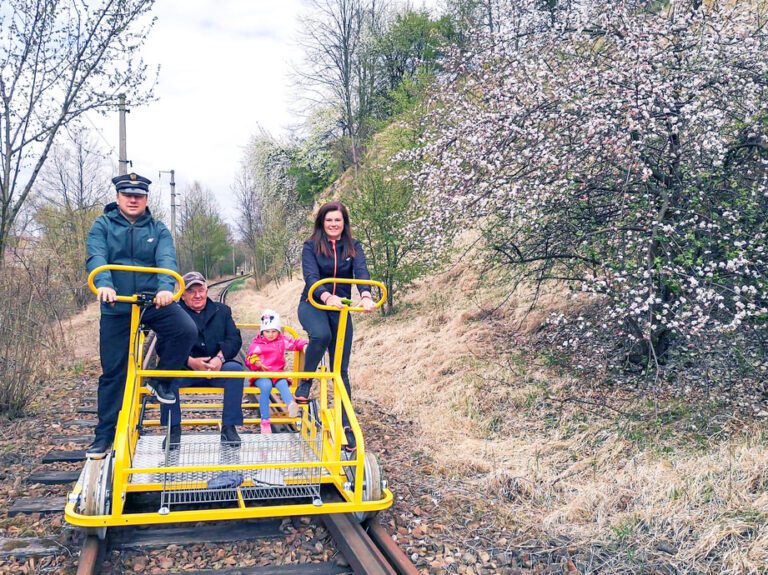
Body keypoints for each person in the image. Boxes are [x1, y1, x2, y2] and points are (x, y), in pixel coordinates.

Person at [86, 173, 197, 459]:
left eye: (138, 196)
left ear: (146, 199)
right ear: (118, 197)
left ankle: (161, 380)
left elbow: (166, 259)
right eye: (127, 195)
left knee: (185, 329)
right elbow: (97, 257)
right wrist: (104, 284)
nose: (133, 200)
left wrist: (165, 289)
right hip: (118, 303)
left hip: (151, 301)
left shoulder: (158, 229)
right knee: (114, 371)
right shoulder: (103, 225)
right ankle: (104, 434)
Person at [296, 201, 376, 453]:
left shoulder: (353, 246)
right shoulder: (311, 246)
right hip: (312, 303)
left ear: (344, 223)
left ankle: (346, 425)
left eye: (337, 220)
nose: (333, 224)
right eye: (329, 220)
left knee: (340, 369)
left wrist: (365, 295)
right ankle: (306, 380)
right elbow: (311, 277)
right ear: (322, 222)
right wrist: (325, 296)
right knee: (321, 335)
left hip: (340, 308)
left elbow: (361, 271)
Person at [159, 271, 245, 447]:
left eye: (200, 290)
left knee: (235, 371)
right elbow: (162, 345)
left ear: (206, 290)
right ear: (182, 295)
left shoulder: (222, 311)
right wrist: (189, 361)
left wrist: (219, 359)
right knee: (166, 375)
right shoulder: (173, 314)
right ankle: (173, 430)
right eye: (191, 291)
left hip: (216, 368)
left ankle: (229, 428)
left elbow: (234, 339)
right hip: (185, 368)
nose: (197, 295)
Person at [244, 310, 307, 434]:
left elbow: (294, 343)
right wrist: (256, 362)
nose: (271, 334)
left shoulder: (281, 341)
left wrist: (305, 344)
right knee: (266, 386)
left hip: (277, 373)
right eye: (267, 331)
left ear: (278, 331)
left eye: (274, 331)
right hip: (262, 374)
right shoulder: (257, 344)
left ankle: (290, 404)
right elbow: (249, 358)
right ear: (262, 332)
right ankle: (265, 421)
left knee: (283, 384)